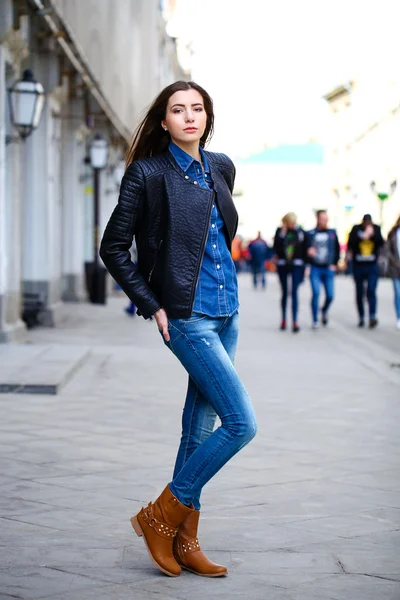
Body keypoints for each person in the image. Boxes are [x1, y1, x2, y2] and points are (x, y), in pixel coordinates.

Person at [100, 81, 257, 579]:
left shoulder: (220, 166)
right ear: (163, 120)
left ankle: (186, 539)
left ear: (207, 117)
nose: (189, 116)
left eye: (197, 109)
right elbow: (113, 247)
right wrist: (151, 304)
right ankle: (161, 516)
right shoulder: (147, 173)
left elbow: (219, 235)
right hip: (186, 318)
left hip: (227, 313)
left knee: (199, 429)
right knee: (241, 423)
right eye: (177, 109)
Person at [347, 214, 384, 328]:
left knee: (371, 290)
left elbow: (381, 242)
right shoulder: (356, 229)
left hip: (372, 266)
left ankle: (372, 315)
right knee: (359, 292)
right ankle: (361, 316)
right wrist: (362, 236)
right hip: (359, 266)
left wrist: (371, 235)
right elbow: (350, 243)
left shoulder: (376, 229)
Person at [273, 212, 307, 333]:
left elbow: (305, 248)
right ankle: (283, 319)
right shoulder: (280, 232)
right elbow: (276, 248)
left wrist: (305, 266)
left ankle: (295, 321)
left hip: (297, 265)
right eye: (290, 222)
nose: (292, 225)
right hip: (283, 265)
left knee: (294, 293)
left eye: (293, 222)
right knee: (284, 293)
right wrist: (282, 234)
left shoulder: (300, 232)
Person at [306, 210, 340, 329]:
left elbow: (337, 249)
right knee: (316, 293)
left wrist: (334, 264)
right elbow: (304, 249)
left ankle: (324, 310)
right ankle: (315, 319)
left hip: (328, 267)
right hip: (315, 267)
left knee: (330, 295)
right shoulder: (310, 233)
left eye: (326, 219)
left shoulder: (332, 233)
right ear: (318, 219)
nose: (325, 221)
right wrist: (308, 255)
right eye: (322, 219)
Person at [385, 215, 400, 329]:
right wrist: (394, 261)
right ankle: (399, 317)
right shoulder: (393, 233)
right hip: (395, 268)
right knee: (398, 293)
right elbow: (387, 250)